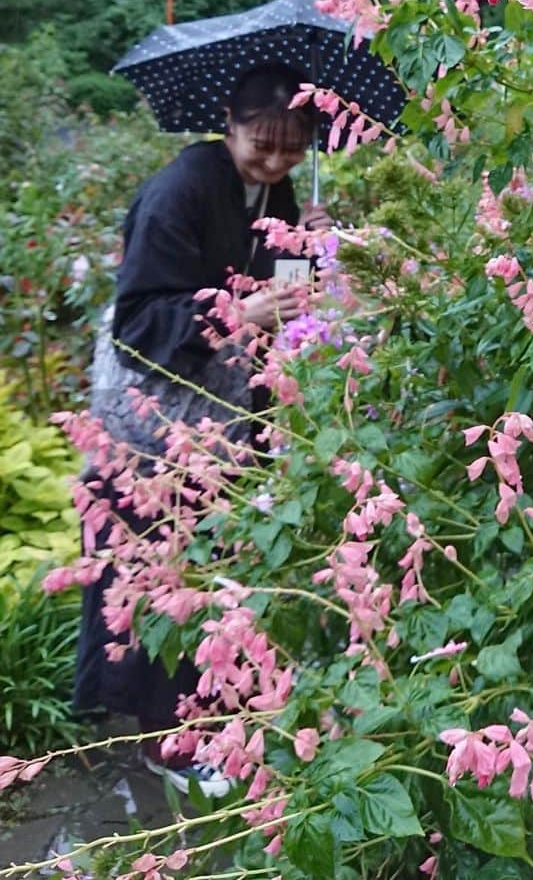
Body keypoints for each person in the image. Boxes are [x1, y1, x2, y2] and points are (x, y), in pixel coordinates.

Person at [73, 62, 330, 796]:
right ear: (229, 122)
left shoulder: (273, 189)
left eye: (292, 148)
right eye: (263, 146)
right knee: (158, 572)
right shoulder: (178, 190)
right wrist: (239, 317)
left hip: (219, 412)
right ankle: (169, 746)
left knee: (216, 568)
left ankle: (219, 719)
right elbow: (140, 318)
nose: (277, 162)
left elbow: (274, 275)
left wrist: (309, 240)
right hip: (154, 416)